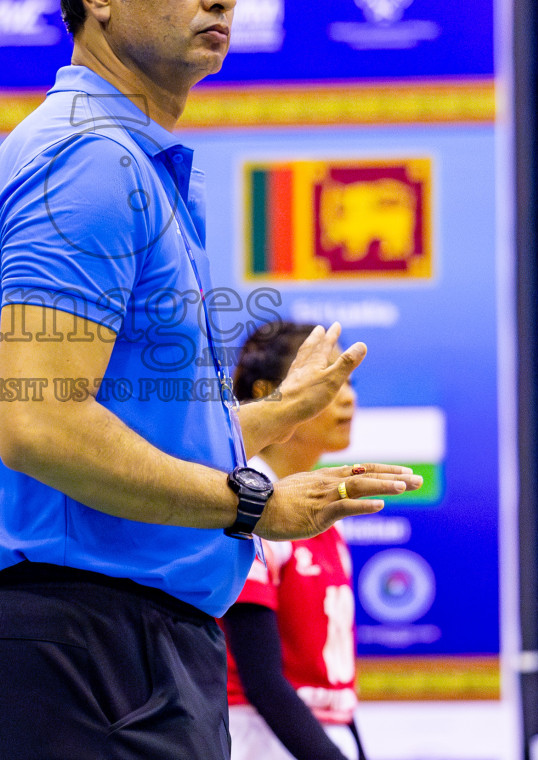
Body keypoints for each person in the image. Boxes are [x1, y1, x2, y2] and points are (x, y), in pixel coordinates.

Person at [0, 0, 423, 760]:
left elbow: (131, 424)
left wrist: (276, 416)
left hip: (125, 642)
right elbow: (43, 426)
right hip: (95, 645)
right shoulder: (87, 163)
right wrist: (253, 504)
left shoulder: (129, 162)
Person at [224, 321, 367, 760]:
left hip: (319, 737)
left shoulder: (324, 510)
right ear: (271, 393)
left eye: (348, 382)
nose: (346, 398)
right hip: (260, 738)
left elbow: (331, 683)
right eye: (328, 382)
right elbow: (262, 682)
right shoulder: (249, 504)